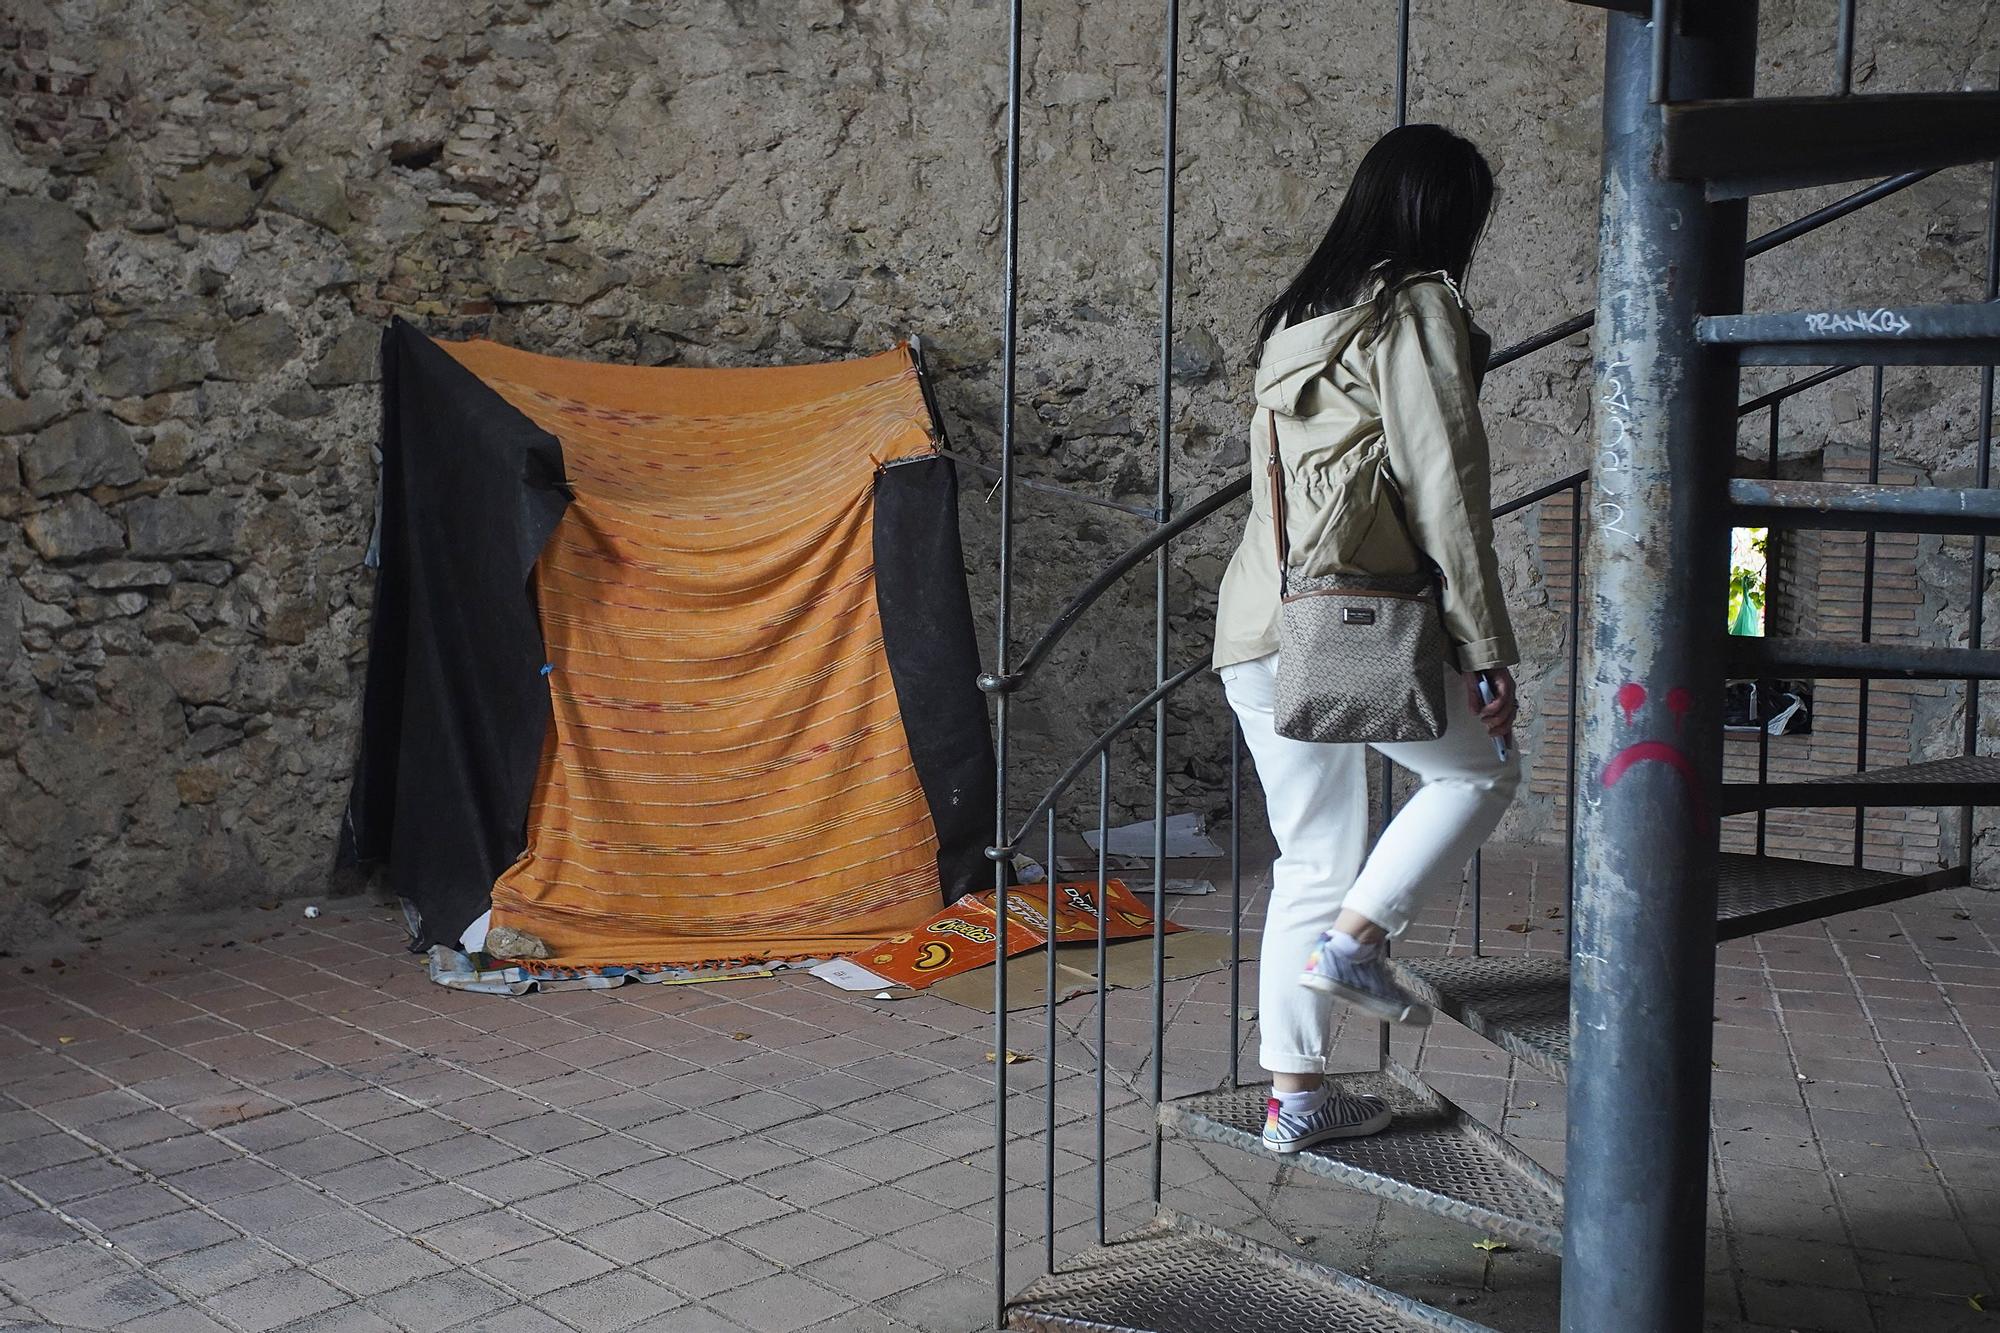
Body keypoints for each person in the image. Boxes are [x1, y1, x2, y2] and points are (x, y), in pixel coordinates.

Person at [1211, 123, 1522, 1153]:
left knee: (1310, 854)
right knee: (1474, 777)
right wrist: (1483, 646)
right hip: (1347, 621)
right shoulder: (1412, 310)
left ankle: (1293, 1096)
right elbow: (1445, 488)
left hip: (1258, 624)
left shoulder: (1302, 315)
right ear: (1446, 215)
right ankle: (1358, 941)